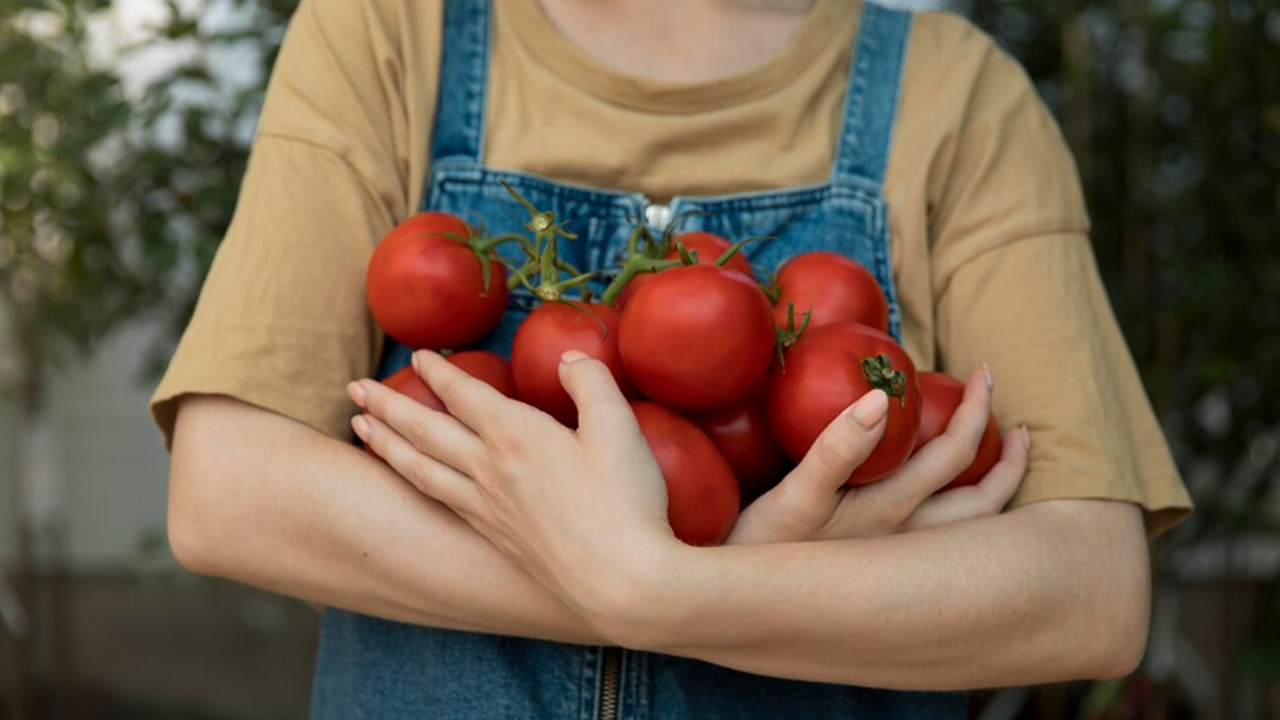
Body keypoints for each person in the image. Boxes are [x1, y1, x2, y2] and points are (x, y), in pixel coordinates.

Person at [151, 0, 1193, 717]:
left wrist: (668, 590)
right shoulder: (388, 32)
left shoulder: (956, 97)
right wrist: (668, 577)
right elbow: (228, 490)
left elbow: (1091, 593)